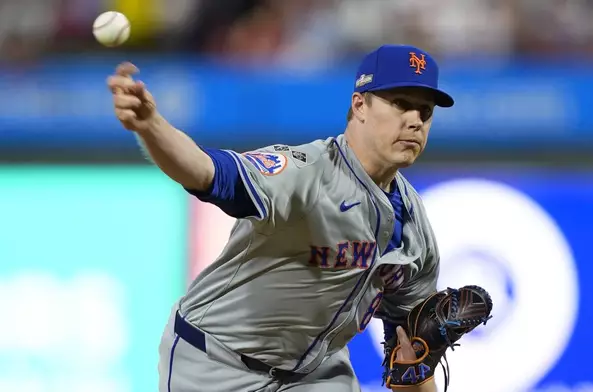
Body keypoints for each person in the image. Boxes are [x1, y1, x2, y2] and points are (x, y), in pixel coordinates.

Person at [107, 44, 455, 392]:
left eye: (425, 112)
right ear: (360, 105)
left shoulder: (413, 226)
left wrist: (416, 369)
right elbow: (208, 173)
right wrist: (151, 126)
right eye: (401, 104)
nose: (415, 120)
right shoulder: (308, 173)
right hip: (216, 362)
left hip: (315, 373)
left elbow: (409, 346)